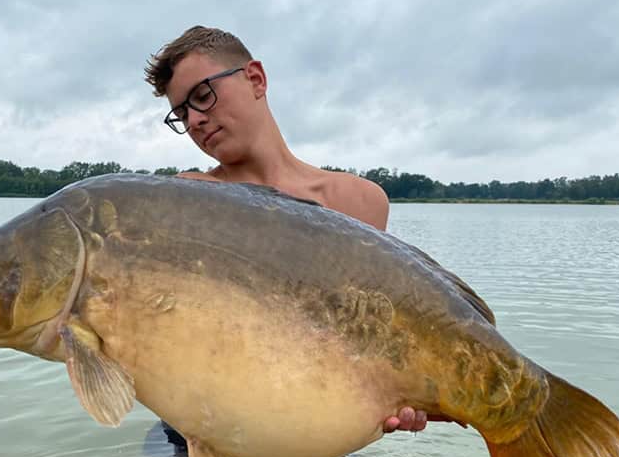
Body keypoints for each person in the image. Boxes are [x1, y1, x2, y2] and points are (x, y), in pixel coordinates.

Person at [144, 25, 431, 435]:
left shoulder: (362, 202)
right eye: (181, 113)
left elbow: (363, 347)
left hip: (310, 440)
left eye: (203, 96)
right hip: (196, 434)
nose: (195, 120)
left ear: (256, 79)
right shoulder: (189, 199)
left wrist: (403, 395)